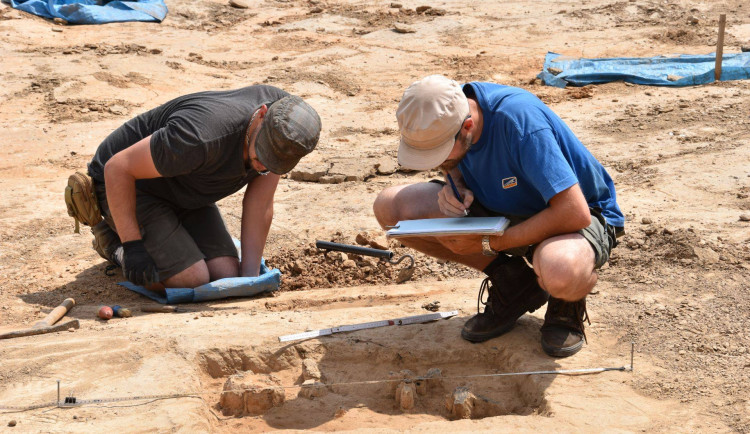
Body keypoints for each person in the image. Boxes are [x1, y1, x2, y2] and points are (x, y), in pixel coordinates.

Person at [373, 75, 624, 357]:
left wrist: (490, 245)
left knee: (560, 269)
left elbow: (573, 212)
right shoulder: (445, 107)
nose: (438, 163)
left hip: (571, 217)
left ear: (467, 126)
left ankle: (566, 302)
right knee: (390, 209)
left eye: (441, 155)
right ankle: (515, 284)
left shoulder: (519, 122)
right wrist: (456, 181)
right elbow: (452, 158)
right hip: (500, 208)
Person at [87, 85, 321, 290]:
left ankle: (166, 239)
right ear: (262, 114)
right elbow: (117, 167)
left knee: (226, 274)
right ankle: (112, 243)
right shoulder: (199, 137)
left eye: (274, 161)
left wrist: (249, 281)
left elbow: (260, 203)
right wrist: (133, 246)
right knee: (190, 278)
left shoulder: (288, 128)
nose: (264, 161)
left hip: (188, 188)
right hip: (131, 186)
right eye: (263, 150)